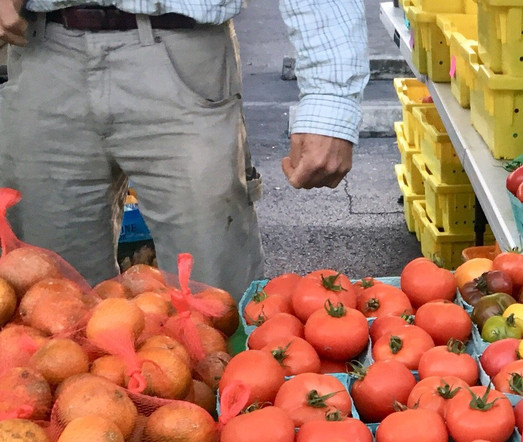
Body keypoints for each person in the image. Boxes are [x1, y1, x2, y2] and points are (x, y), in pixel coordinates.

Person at [0, 0, 368, 298]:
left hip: (182, 49)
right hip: (40, 51)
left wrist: (330, 95)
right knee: (51, 317)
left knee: (217, 306)